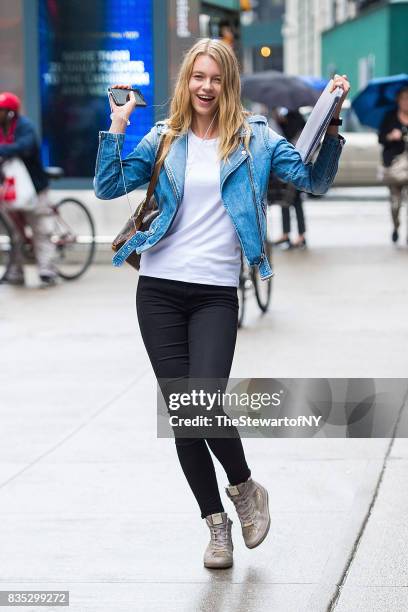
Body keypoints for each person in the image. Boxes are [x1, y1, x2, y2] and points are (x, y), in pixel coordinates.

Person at [94, 39, 349, 569]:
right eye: (196, 77)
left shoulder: (255, 138)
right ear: (186, 81)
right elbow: (109, 184)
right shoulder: (165, 137)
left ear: (228, 82)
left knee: (203, 401)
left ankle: (245, 487)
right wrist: (117, 125)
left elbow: (312, 179)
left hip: (214, 293)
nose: (205, 87)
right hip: (159, 289)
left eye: (214, 78)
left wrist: (329, 123)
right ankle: (217, 527)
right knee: (183, 414)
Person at [0, 91, 57, 287]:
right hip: (10, 190)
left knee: (40, 228)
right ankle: (16, 271)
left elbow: (25, 146)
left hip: (34, 187)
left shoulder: (25, 127)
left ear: (10, 113)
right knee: (14, 233)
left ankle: (46, 269)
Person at [273, 109, 307, 249]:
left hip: (295, 163)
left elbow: (289, 138)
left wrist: (282, 123)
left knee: (295, 200)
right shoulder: (294, 118)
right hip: (291, 162)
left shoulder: (297, 119)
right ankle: (289, 233)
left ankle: (300, 235)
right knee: (285, 199)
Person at [378, 85, 408, 244]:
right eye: (404, 98)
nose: (406, 102)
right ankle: (396, 226)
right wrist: (391, 136)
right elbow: (381, 138)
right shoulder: (390, 117)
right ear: (398, 100)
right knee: (395, 204)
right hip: (394, 166)